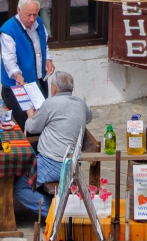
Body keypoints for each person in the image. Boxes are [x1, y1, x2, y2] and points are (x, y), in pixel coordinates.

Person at [13, 71, 92, 217]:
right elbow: (89, 117)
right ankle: (55, 207)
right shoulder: (81, 103)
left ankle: (55, 213)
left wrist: (31, 116)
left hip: (54, 162)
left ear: (54, 88)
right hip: (71, 161)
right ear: (72, 89)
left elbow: (31, 127)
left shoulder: (50, 103)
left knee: (19, 188)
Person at [0, 0, 55, 132]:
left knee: (40, 123)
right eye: (28, 15)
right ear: (19, 10)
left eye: (35, 14)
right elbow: (9, 60)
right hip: (16, 88)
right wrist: (17, 75)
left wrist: (48, 59)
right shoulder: (8, 30)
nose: (32, 19)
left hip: (39, 83)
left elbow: (43, 44)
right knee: (22, 125)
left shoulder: (38, 22)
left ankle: (39, 150)